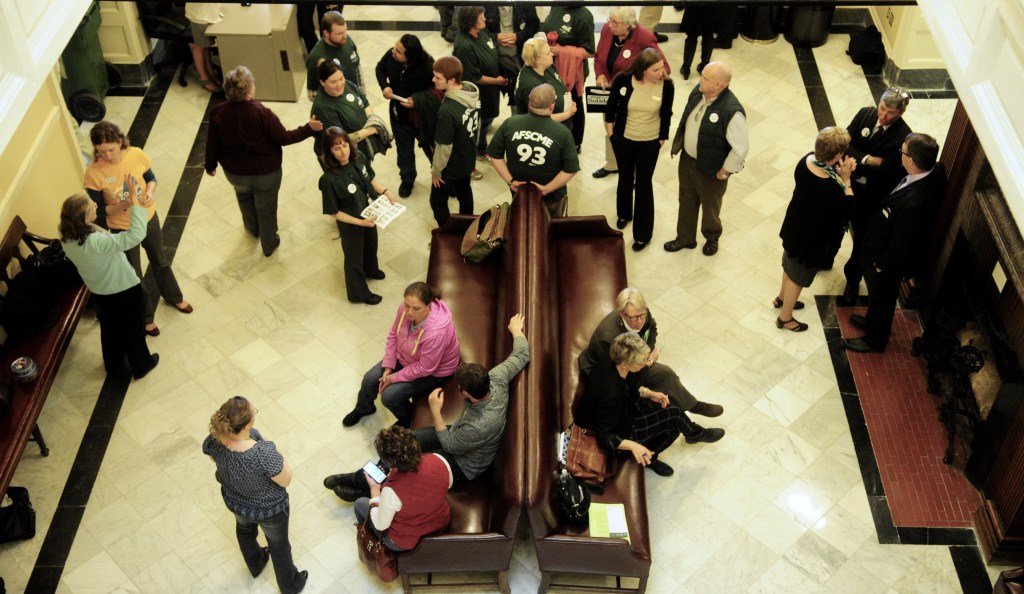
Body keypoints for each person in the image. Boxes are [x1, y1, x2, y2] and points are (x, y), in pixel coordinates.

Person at [326, 314, 529, 499]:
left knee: (405, 460)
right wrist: (517, 331)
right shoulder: (497, 379)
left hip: (463, 464)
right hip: (457, 435)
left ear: (466, 394)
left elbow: (450, 446)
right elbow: (521, 356)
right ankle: (360, 479)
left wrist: (435, 410)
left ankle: (362, 487)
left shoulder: (480, 425)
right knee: (400, 443)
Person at [84, 121, 192, 338]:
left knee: (160, 259)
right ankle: (146, 317)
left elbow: (151, 178)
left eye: (112, 150)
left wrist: (150, 191)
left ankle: (174, 296)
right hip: (122, 229)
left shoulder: (136, 154)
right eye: (101, 152)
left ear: (119, 141)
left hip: (148, 218)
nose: (108, 156)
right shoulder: (93, 173)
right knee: (134, 273)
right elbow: (101, 212)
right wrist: (128, 202)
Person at [579, 288, 724, 446]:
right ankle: (693, 431)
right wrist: (646, 367)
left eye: (643, 315)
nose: (640, 321)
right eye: (635, 318)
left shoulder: (641, 316)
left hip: (628, 377)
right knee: (670, 412)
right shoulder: (609, 343)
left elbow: (652, 329)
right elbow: (622, 389)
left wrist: (644, 359)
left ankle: (691, 406)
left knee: (665, 374)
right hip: (620, 416)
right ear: (622, 315)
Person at [843, 133, 947, 353]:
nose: (900, 154)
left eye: (903, 151)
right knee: (878, 298)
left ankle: (875, 339)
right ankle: (871, 321)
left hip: (887, 262)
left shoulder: (913, 205)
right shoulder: (936, 171)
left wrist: (881, 265)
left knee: (883, 299)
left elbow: (902, 243)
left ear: (911, 160)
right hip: (885, 250)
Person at [205, 65, 322, 257]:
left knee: (244, 197)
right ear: (249, 91)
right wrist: (309, 128)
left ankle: (253, 229)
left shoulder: (217, 113)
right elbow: (284, 138)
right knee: (266, 207)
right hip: (266, 173)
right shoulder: (261, 113)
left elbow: (212, 143)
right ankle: (269, 243)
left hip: (235, 174)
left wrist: (210, 165)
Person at [203, 396, 307, 594]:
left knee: (244, 531)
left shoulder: (215, 439)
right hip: (270, 510)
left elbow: (212, 457)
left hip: (236, 502)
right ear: (247, 423)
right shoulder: (262, 453)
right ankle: (291, 585)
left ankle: (256, 563)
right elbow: (286, 480)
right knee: (278, 545)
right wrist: (275, 451)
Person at [59, 190, 159, 380]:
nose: (96, 205)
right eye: (91, 205)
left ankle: (113, 364)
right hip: (123, 289)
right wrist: (136, 203)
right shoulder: (95, 242)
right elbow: (135, 236)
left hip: (98, 290)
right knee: (134, 328)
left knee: (110, 328)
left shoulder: (65, 233)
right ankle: (142, 365)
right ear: (85, 219)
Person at [345, 282, 461, 428]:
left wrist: (393, 378)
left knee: (389, 397)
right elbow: (394, 334)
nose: (409, 312)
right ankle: (364, 408)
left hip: (434, 371)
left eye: (416, 308)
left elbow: (426, 368)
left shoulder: (436, 333)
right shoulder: (405, 310)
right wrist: (388, 365)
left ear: (429, 305)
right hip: (407, 357)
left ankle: (410, 422)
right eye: (407, 305)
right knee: (369, 379)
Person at [776, 127, 857, 332]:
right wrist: (846, 180)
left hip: (794, 227)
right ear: (838, 154)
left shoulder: (806, 161)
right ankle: (785, 318)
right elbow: (848, 210)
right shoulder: (829, 187)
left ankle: (782, 298)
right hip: (810, 239)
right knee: (798, 276)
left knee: (789, 263)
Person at [838, 87, 913, 306]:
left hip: (870, 197)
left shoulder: (902, 137)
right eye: (882, 108)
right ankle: (824, 257)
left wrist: (856, 159)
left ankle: (852, 280)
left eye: (890, 112)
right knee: (834, 224)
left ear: (900, 113)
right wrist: (869, 159)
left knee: (861, 240)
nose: (883, 115)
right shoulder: (865, 114)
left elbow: (886, 172)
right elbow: (844, 145)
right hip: (845, 183)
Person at [664, 61, 748, 257]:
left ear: (719, 85)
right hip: (688, 161)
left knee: (710, 206)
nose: (699, 79)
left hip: (711, 169)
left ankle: (712, 238)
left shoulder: (731, 111)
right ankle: (685, 238)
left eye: (705, 78)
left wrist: (725, 170)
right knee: (686, 199)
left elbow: (741, 148)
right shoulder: (698, 92)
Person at [574, 332, 685, 477]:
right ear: (625, 364)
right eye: (641, 363)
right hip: (618, 431)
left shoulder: (613, 355)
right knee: (675, 422)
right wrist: (633, 445)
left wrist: (649, 393)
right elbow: (604, 435)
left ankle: (692, 431)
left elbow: (629, 382)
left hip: (624, 410)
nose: (644, 364)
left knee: (670, 404)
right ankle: (655, 456)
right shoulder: (611, 394)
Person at [604, 49, 674, 251]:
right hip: (624, 139)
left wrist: (662, 138)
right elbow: (611, 106)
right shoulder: (623, 80)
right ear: (643, 70)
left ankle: (643, 234)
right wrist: (611, 133)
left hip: (649, 143)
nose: (661, 72)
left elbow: (667, 113)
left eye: (661, 68)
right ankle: (624, 214)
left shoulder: (667, 86)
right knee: (625, 177)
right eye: (656, 69)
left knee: (644, 184)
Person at [319, 127, 396, 305]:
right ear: (329, 151)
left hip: (369, 212)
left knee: (371, 245)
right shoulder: (329, 180)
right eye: (337, 148)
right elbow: (334, 212)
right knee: (354, 258)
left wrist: (385, 191)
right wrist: (360, 223)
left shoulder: (359, 157)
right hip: (351, 222)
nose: (343, 151)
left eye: (345, 145)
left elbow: (370, 179)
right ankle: (358, 293)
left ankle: (371, 269)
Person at [592, 7, 669, 179]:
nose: (610, 25)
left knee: (628, 133)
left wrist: (641, 81)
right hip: (610, 92)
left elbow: (663, 68)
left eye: (615, 22)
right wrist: (601, 74)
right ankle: (612, 163)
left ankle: (632, 171)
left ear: (628, 25)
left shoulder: (644, 38)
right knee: (610, 126)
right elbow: (599, 57)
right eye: (610, 20)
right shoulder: (607, 30)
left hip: (632, 96)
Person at [351, 427, 452, 553]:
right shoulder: (439, 460)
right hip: (440, 522)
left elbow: (380, 524)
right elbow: (448, 485)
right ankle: (352, 482)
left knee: (360, 503)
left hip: (405, 541)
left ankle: (374, 540)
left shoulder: (391, 491)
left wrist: (375, 490)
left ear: (387, 461)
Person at [488, 85, 580, 217]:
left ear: (529, 103)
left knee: (521, 221)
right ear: (551, 107)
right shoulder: (562, 132)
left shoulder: (510, 123)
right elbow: (571, 169)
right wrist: (546, 189)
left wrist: (511, 181)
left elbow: (494, 155)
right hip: (552, 197)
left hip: (520, 192)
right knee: (553, 227)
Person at [375, 35, 435, 198]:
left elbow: (437, 92)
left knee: (433, 151)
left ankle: (443, 180)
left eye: (399, 51)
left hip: (421, 119)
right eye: (395, 48)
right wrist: (385, 85)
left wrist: (417, 100)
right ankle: (408, 179)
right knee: (404, 150)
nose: (393, 52)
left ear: (411, 57)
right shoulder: (391, 56)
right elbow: (379, 69)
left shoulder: (428, 68)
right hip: (399, 116)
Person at [428, 56, 480, 228]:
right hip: (467, 158)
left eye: (438, 77)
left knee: (437, 202)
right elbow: (477, 127)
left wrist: (436, 171)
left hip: (450, 166)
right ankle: (468, 228)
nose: (433, 80)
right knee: (465, 192)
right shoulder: (471, 93)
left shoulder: (447, 111)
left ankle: (447, 234)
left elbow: (444, 147)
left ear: (451, 80)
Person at [453, 7, 507, 164]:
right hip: (479, 93)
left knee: (488, 116)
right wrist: (497, 81)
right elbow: (475, 77)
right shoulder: (463, 46)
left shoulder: (481, 31)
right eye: (481, 16)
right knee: (480, 122)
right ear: (471, 22)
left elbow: (489, 40)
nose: (485, 18)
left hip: (491, 90)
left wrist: (498, 38)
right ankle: (480, 149)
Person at [542, 4, 595, 150]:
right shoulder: (557, 5)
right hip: (552, 67)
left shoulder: (584, 16)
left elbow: (590, 51)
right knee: (554, 103)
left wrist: (562, 51)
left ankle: (575, 142)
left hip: (573, 73)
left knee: (573, 103)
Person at [310, 61, 380, 162]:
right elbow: (340, 141)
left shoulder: (347, 85)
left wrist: (372, 120)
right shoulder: (323, 108)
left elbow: (364, 103)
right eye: (333, 82)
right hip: (342, 158)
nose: (339, 84)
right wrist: (371, 129)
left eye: (341, 78)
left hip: (360, 148)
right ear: (322, 82)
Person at [484, 5, 539, 114]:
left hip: (518, 55)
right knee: (488, 94)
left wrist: (518, 36)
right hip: (491, 54)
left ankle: (516, 122)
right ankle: (487, 121)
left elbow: (534, 25)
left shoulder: (525, 3)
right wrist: (495, 38)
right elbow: (478, 29)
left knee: (517, 90)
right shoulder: (486, 4)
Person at [515, 39, 576, 132]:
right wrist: (568, 114)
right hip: (546, 132)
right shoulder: (531, 86)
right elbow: (537, 120)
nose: (552, 54)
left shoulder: (547, 66)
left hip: (562, 127)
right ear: (537, 60)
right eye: (548, 53)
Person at [305, 11, 362, 100]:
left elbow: (357, 70)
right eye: (339, 33)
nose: (344, 36)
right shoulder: (316, 58)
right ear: (326, 33)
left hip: (355, 100)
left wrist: (362, 97)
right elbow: (312, 94)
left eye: (345, 31)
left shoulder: (348, 41)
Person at [184, 3, 222, 93]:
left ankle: (210, 71)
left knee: (206, 45)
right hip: (199, 15)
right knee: (199, 47)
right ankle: (204, 78)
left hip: (210, 11)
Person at [679, 6, 716, 80]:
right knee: (708, 35)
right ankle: (705, 66)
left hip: (694, 5)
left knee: (692, 36)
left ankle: (686, 68)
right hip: (710, 5)